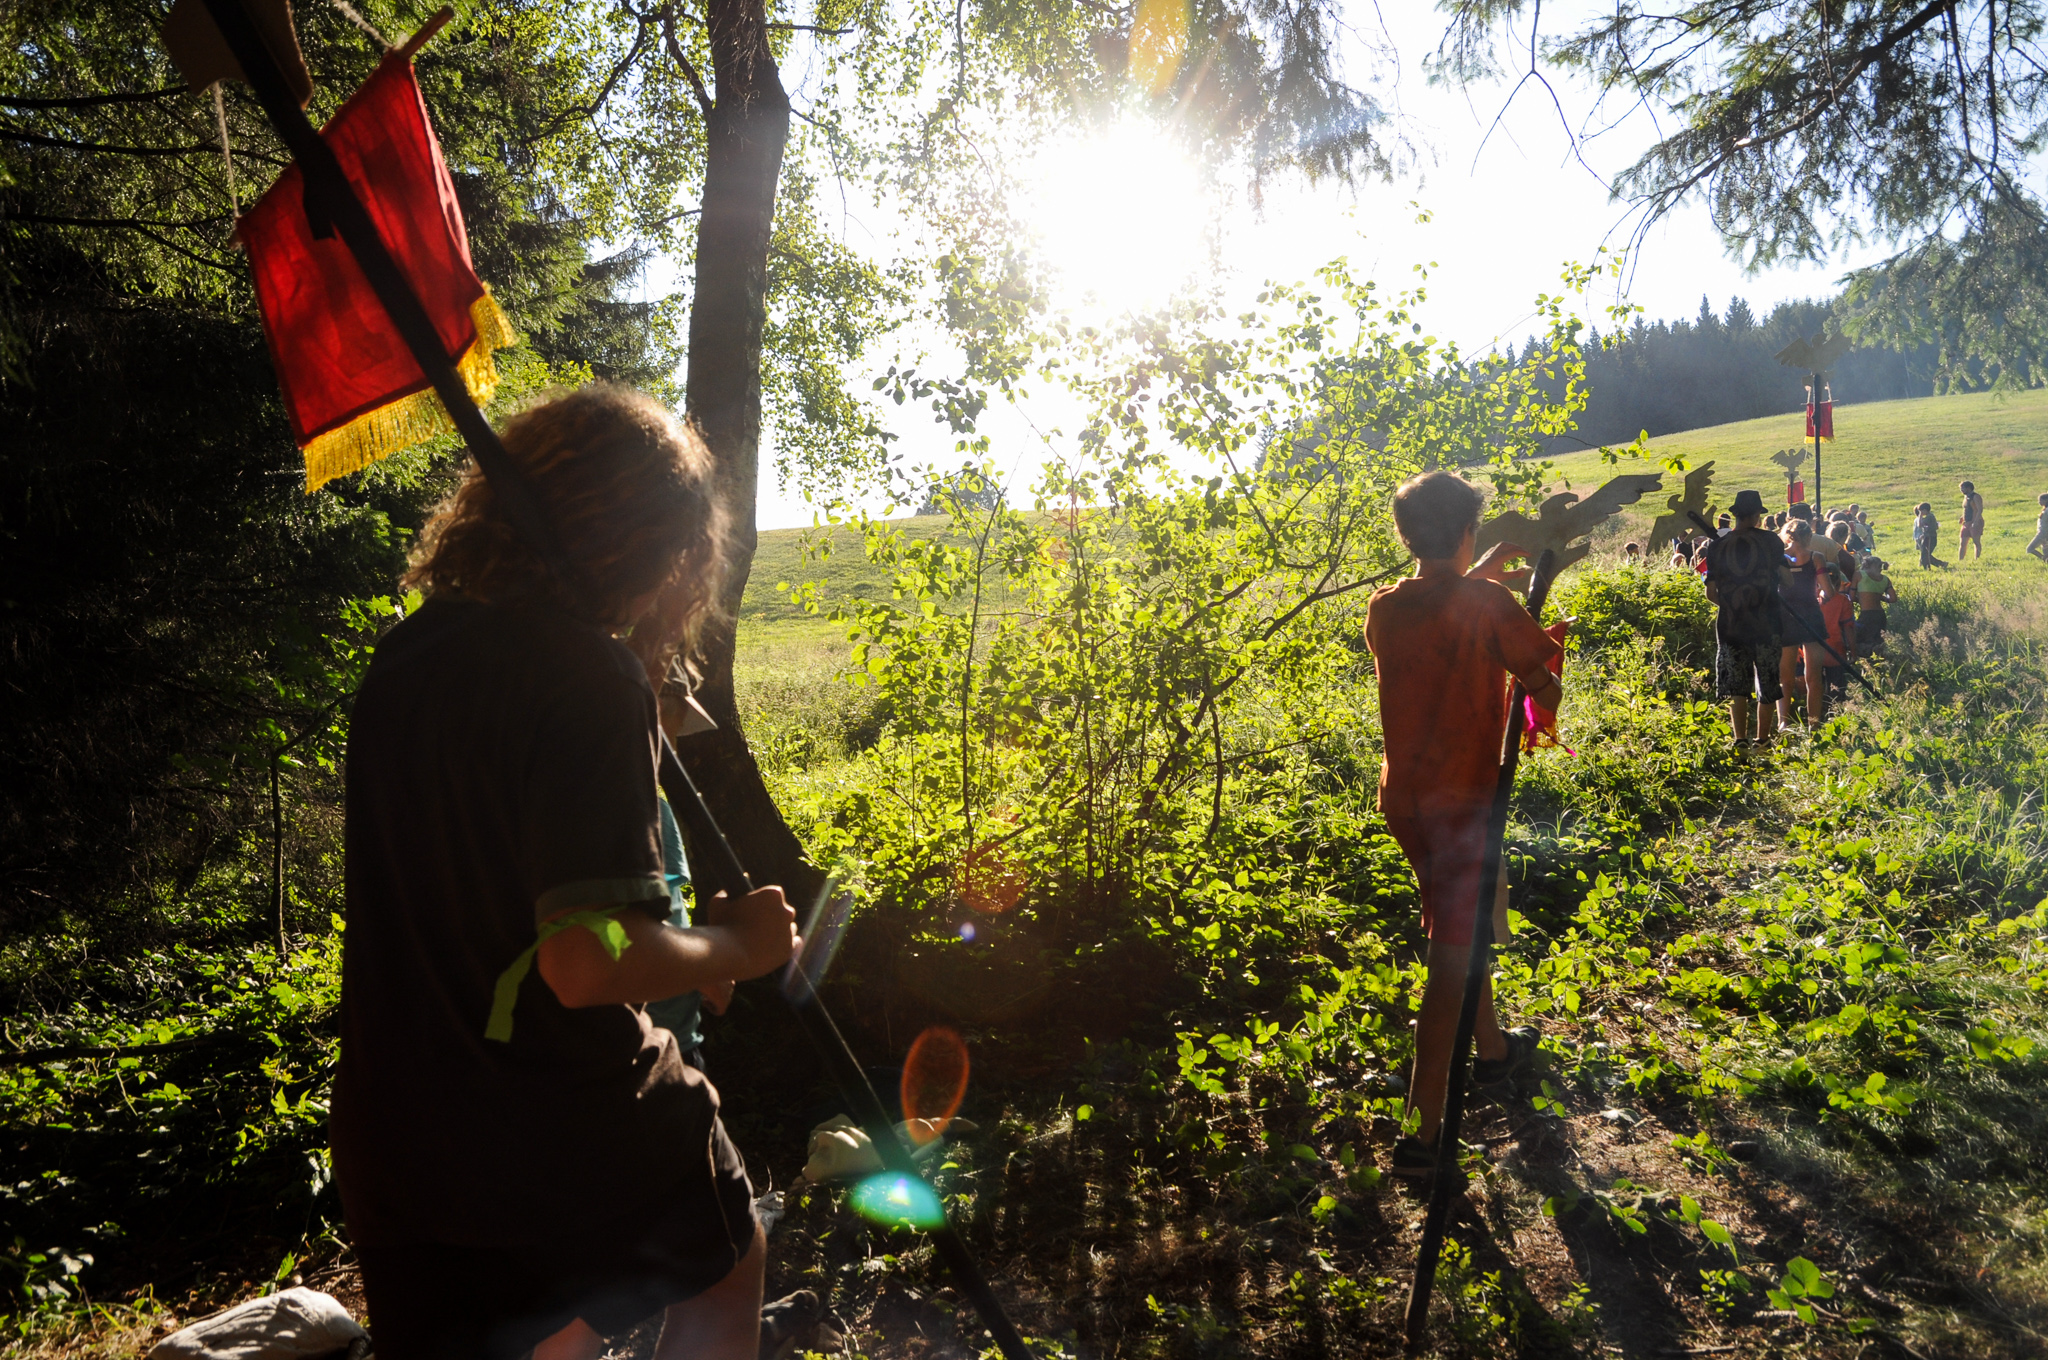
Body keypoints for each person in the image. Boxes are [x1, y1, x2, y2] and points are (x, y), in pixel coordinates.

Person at [335, 386, 801, 1360]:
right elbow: (587, 962)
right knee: (726, 1260)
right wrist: (738, 946)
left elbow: (491, 907)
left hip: (398, 1134)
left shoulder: (405, 658)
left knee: (532, 1333)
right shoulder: (585, 672)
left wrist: (682, 952)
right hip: (553, 1123)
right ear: (652, 548)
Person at [1365, 471, 1560, 1183]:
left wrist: (1479, 583)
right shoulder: (1489, 605)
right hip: (1462, 807)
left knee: (1463, 923)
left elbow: (1437, 615)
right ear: (1470, 531)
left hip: (1407, 804)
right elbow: (1541, 684)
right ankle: (1422, 1134)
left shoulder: (1385, 609)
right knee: (1450, 958)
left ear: (1407, 536)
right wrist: (1540, 658)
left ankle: (1495, 1052)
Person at [1705, 490, 1789, 753]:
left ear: (1735, 514)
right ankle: (1762, 741)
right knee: (1768, 681)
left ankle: (1739, 740)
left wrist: (1733, 605)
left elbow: (1711, 593)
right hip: (1767, 624)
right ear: (1756, 515)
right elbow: (1787, 580)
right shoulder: (1771, 541)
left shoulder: (1716, 546)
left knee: (1736, 685)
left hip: (1731, 627)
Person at [1778, 520, 1832, 728]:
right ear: (1808, 536)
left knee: (1785, 677)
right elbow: (1829, 591)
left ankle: (1783, 723)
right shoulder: (1816, 558)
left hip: (1785, 617)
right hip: (1811, 617)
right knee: (1814, 676)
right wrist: (1821, 595)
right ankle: (1814, 724)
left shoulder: (1779, 557)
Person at [1818, 564, 1855, 701]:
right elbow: (1848, 629)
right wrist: (1853, 652)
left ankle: (1819, 710)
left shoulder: (1811, 599)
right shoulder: (1843, 601)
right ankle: (1835, 710)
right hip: (1836, 651)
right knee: (1836, 691)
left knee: (1816, 688)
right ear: (1839, 580)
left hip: (1813, 652)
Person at [1855, 555, 1897, 656]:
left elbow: (1851, 597)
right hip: (1880, 615)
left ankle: (1866, 661)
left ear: (1866, 565)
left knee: (1861, 640)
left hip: (1866, 614)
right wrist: (1880, 597)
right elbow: (1893, 599)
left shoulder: (1859, 575)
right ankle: (1882, 660)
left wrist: (1862, 599)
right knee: (1878, 641)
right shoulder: (1885, 579)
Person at [1913, 502, 1947, 569]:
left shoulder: (1929, 517)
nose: (1920, 513)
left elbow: (1920, 525)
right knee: (1925, 554)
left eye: (1921, 511)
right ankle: (1940, 564)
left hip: (1929, 538)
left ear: (1925, 510)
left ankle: (1936, 565)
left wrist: (1920, 516)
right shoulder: (1930, 516)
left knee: (1925, 555)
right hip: (1928, 537)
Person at [1960, 480, 1986, 559]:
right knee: (1962, 543)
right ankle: (1961, 560)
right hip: (1966, 523)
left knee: (1976, 542)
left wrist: (1976, 521)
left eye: (1963, 488)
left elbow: (1979, 509)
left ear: (1968, 488)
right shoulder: (1965, 497)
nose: (1961, 490)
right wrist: (1962, 517)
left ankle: (1977, 559)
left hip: (1975, 522)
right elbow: (1966, 509)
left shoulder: (1975, 496)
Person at [2027, 492, 2048, 562]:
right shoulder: (2045, 509)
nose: (2039, 502)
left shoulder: (2047, 511)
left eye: (2040, 500)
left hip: (2043, 533)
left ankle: (2044, 559)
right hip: (2043, 533)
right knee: (2046, 551)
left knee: (2030, 549)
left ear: (2046, 500)